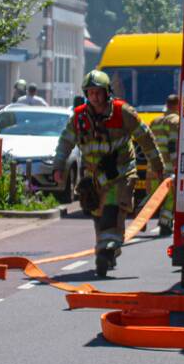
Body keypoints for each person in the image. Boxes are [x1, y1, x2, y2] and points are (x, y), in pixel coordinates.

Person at [52, 70, 164, 277]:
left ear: (107, 93)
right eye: (91, 92)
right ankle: (108, 249)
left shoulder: (123, 113)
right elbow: (65, 142)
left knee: (113, 209)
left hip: (121, 173)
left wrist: (157, 165)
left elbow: (145, 138)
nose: (95, 97)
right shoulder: (79, 117)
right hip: (94, 177)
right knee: (97, 215)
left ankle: (105, 250)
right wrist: (58, 167)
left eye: (99, 92)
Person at [148, 94, 180, 236]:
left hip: (153, 168)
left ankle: (143, 221)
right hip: (168, 169)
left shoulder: (155, 121)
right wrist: (176, 167)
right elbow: (173, 146)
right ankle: (165, 224)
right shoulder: (175, 121)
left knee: (154, 198)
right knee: (170, 198)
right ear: (177, 105)